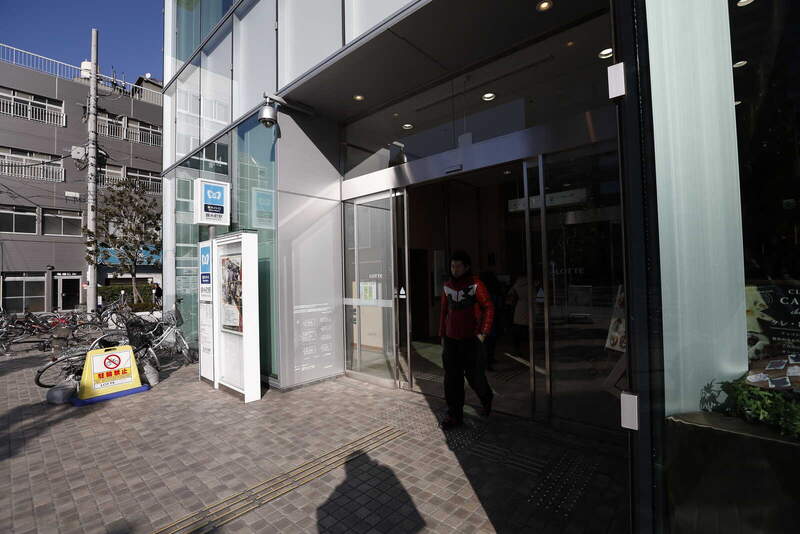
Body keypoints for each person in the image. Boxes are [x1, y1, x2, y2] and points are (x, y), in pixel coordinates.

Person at [438, 250, 494, 430]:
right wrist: (442, 336)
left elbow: (488, 307)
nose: (454, 269)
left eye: (458, 266)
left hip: (471, 340)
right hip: (451, 340)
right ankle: (454, 415)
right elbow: (443, 312)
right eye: (452, 266)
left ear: (467, 267)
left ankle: (486, 397)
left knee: (474, 377)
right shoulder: (447, 286)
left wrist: (483, 333)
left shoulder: (476, 284)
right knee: (451, 380)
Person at [480, 271, 504, 371]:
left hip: (484, 318)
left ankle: (487, 362)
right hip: (494, 317)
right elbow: (499, 304)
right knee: (491, 340)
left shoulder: (480, 289)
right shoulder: (495, 289)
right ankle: (489, 359)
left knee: (486, 341)